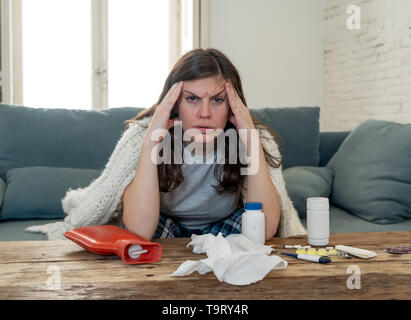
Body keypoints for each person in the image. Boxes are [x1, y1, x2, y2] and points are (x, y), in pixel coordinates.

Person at [122, 48, 285, 241]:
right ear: (174, 104)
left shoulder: (251, 137)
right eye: (192, 99)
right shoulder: (143, 135)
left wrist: (251, 141)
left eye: (217, 100)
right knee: (145, 233)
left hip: (221, 227)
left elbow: (265, 230)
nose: (205, 113)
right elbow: (139, 232)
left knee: (251, 224)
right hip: (164, 225)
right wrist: (151, 141)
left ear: (232, 106)